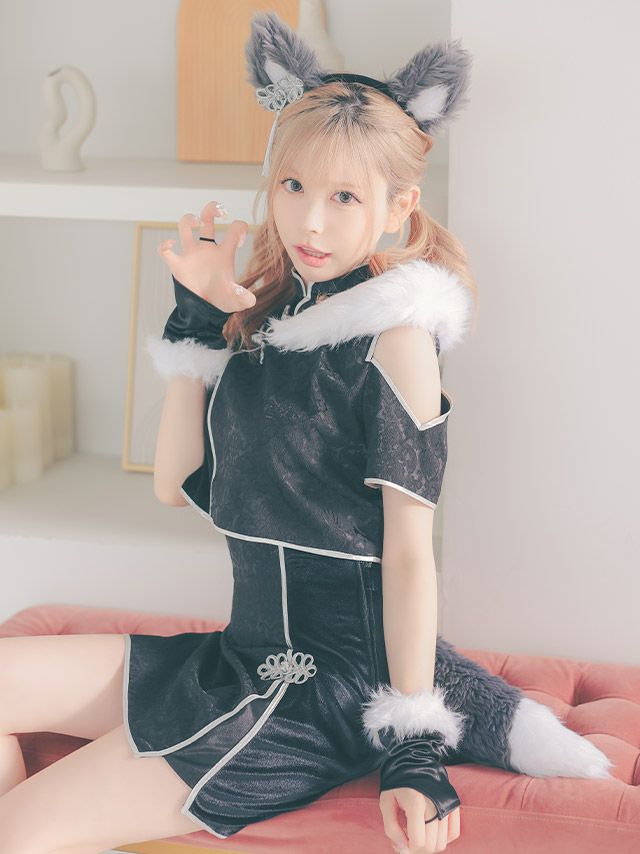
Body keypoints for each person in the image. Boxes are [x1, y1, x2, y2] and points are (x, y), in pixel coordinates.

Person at [0, 12, 612, 854]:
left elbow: (408, 555)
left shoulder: (395, 342)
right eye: (292, 186)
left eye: (344, 197)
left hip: (316, 697)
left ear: (399, 208)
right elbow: (174, 483)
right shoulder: (268, 323)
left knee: (18, 829)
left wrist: (413, 744)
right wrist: (196, 321)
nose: (309, 222)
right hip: (238, 655)